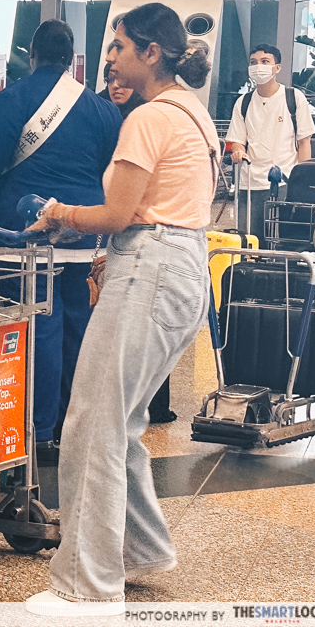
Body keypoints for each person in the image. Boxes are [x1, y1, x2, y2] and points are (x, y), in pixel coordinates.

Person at [24, 2, 218, 617]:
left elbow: (116, 214)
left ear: (150, 53)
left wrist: (60, 214)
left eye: (117, 46)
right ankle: (138, 549)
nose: (108, 57)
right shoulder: (194, 112)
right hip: (183, 267)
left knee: (91, 422)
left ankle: (88, 586)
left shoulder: (148, 118)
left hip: (152, 267)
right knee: (123, 420)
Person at [0, 20, 122, 461]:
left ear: (31, 53)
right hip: (83, 235)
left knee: (37, 328)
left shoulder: (13, 99)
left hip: (23, 236)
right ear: (71, 57)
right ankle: (71, 425)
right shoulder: (101, 109)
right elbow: (106, 166)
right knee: (76, 329)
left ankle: (39, 430)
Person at [98, 60, 174, 425]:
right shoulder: (102, 114)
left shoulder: (146, 119)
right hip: (120, 236)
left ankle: (153, 406)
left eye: (121, 80)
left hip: (141, 237)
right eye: (110, 80)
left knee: (146, 330)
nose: (116, 86)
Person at [226, 43, 315, 239]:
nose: (259, 66)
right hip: (249, 184)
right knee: (249, 239)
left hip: (283, 183)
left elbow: (304, 143)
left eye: (265, 61)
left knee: (279, 239)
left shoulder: (293, 98)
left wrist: (302, 184)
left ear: (277, 68)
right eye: (253, 62)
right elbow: (237, 140)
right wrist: (239, 151)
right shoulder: (243, 102)